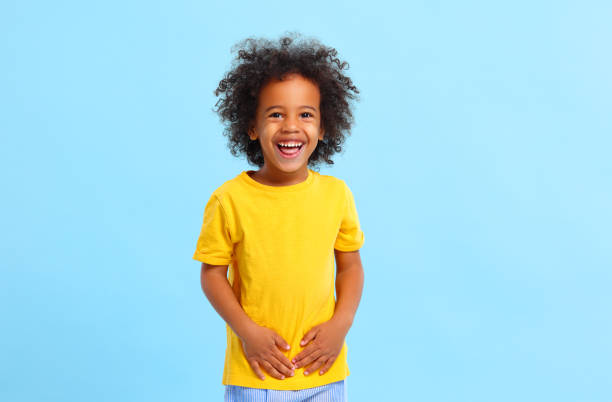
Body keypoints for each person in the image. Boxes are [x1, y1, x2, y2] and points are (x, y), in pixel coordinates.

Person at [192, 32, 365, 402]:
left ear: (322, 128)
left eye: (305, 114)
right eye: (275, 114)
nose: (290, 126)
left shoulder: (337, 195)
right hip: (257, 374)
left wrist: (341, 324)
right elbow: (211, 275)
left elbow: (350, 267)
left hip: (324, 369)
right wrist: (247, 333)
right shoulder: (229, 200)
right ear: (251, 128)